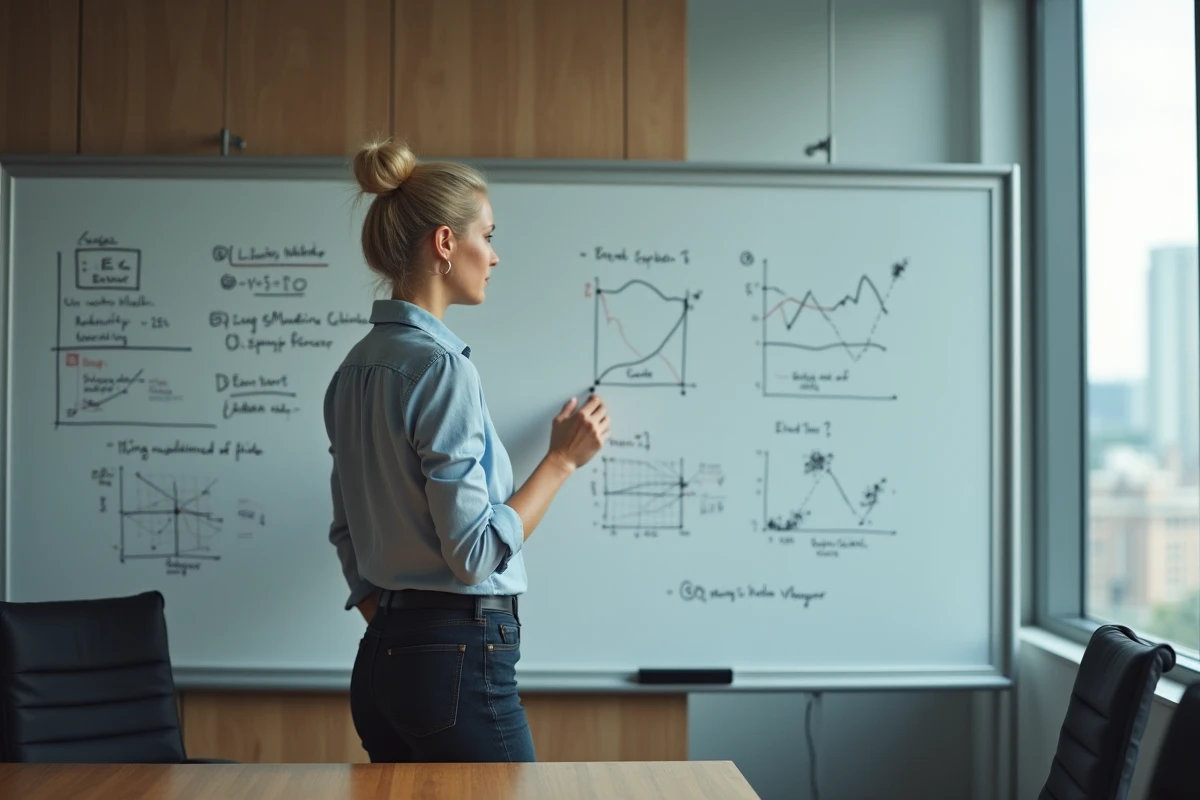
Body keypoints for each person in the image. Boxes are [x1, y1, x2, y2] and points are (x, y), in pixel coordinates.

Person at [324, 138, 610, 763]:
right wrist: (561, 462)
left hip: (382, 661)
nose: (495, 255)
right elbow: (474, 554)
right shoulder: (441, 368)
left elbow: (346, 531)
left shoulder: (352, 370)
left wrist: (399, 623)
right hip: (453, 660)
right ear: (446, 243)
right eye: (488, 235)